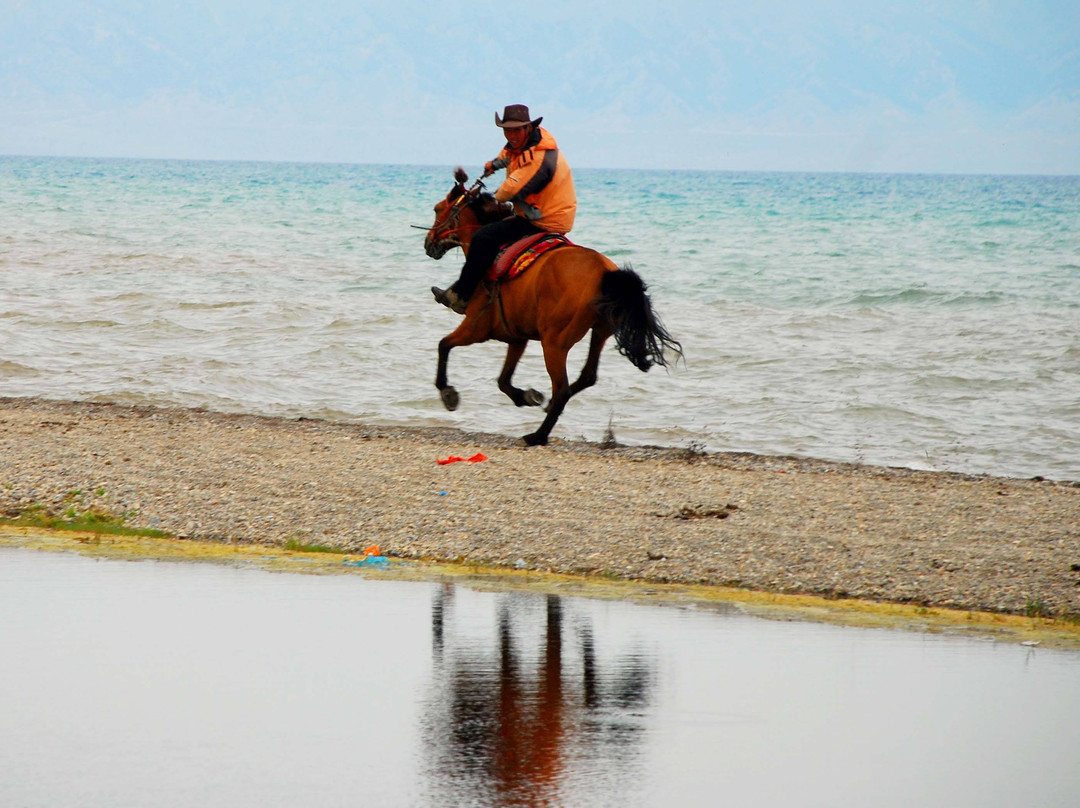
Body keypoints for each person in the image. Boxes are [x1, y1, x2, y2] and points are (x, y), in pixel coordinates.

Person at [432, 104, 577, 314]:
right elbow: (508, 155)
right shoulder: (529, 143)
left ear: (528, 128)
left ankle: (462, 297)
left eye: (516, 130)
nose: (511, 135)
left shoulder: (537, 158)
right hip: (540, 212)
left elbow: (508, 191)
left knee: (482, 238)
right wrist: (492, 165)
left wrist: (491, 198)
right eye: (507, 130)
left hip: (543, 219)